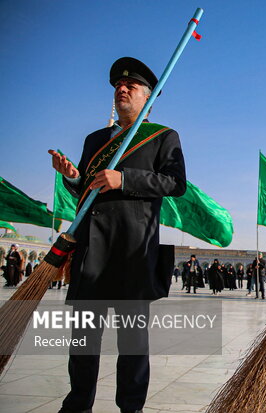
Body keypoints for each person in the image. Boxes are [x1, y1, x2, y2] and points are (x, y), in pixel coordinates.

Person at [50, 57, 186, 413]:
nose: (121, 90)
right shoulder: (95, 139)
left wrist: (124, 179)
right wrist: (72, 177)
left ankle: (131, 408)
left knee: (132, 345)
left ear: (148, 98)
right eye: (117, 87)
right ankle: (76, 405)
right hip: (91, 251)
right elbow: (84, 194)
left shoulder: (162, 137)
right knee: (82, 343)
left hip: (132, 252)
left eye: (131, 87)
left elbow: (175, 183)